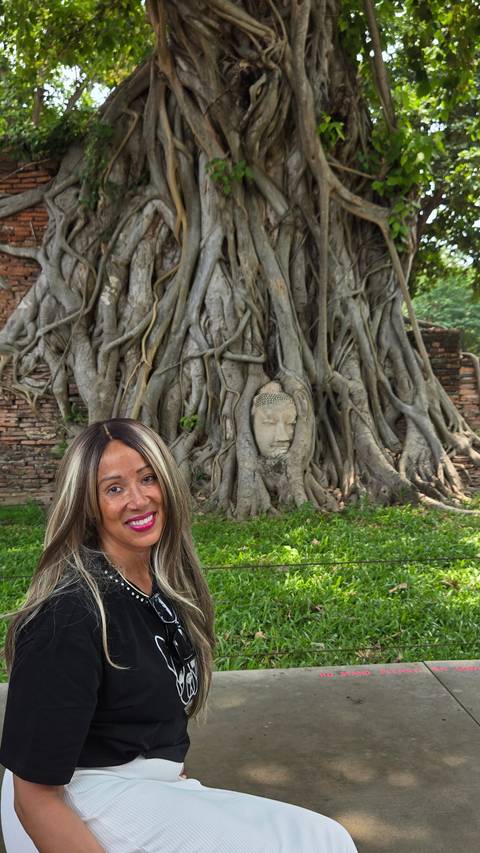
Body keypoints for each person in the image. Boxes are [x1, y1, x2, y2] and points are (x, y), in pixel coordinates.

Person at [0, 418, 358, 853]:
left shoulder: (158, 583)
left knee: (326, 839)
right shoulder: (69, 614)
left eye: (148, 478)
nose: (138, 499)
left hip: (143, 787)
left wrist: (167, 772)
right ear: (87, 505)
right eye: (113, 488)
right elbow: (34, 796)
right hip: (75, 800)